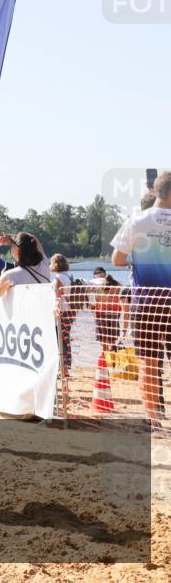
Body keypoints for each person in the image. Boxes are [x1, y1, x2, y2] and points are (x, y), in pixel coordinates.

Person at [111, 170, 171, 427]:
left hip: (146, 302)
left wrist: (137, 262)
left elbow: (117, 259)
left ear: (156, 191)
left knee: (148, 362)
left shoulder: (136, 220)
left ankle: (155, 420)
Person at [0, 232, 50, 300]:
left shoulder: (11, 275)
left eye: (12, 246)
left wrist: (2, 276)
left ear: (16, 249)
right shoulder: (44, 262)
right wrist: (11, 238)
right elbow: (32, 237)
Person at [51, 253, 76, 369]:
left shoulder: (58, 278)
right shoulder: (68, 276)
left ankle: (63, 367)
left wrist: (56, 310)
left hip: (61, 311)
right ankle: (66, 365)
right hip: (70, 310)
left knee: (60, 339)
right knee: (66, 338)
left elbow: (57, 296)